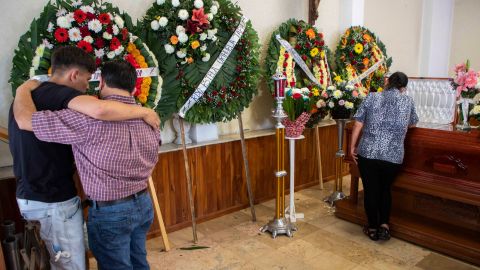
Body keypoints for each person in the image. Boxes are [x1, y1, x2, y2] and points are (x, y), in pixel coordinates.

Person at [10, 46, 159, 269]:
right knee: (139, 261)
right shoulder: (150, 119)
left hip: (110, 211)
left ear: (102, 84)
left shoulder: (87, 120)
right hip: (143, 204)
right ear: (134, 87)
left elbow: (27, 121)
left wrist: (23, 89)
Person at [349, 71, 419, 241]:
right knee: (385, 189)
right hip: (393, 155)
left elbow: (358, 122)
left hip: (368, 152)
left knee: (371, 190)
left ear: (388, 82)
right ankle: (384, 226)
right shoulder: (407, 100)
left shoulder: (372, 97)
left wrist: (352, 146)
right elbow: (413, 123)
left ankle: (372, 228)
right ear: (403, 87)